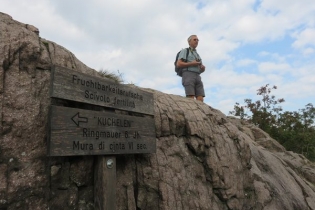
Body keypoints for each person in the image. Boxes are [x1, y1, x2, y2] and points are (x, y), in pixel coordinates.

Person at [176, 35, 206, 102]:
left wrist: (202, 69)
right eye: (194, 39)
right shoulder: (185, 51)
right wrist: (192, 63)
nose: (196, 41)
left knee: (200, 98)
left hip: (197, 75)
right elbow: (179, 64)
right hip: (188, 74)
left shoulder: (197, 54)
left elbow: (199, 68)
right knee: (190, 96)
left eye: (197, 40)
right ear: (189, 42)